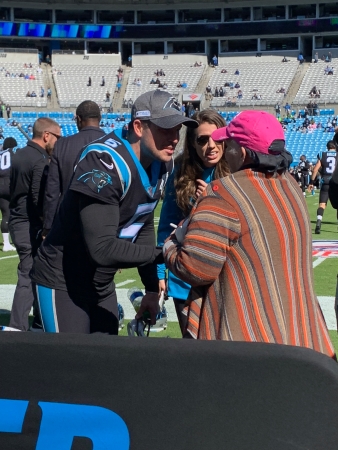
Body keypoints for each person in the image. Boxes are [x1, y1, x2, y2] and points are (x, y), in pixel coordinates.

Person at [163, 110, 335, 359]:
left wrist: (171, 243)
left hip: (247, 339)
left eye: (228, 143)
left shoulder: (222, 193)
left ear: (241, 152)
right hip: (301, 334)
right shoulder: (292, 187)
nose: (221, 147)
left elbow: (195, 267)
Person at [30, 90, 198, 334]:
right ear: (139, 127)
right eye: (165, 129)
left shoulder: (162, 162)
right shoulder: (104, 161)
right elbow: (102, 248)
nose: (174, 138)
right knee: (71, 365)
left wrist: (151, 288)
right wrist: (167, 253)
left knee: (104, 362)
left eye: (177, 129)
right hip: (63, 281)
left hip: (100, 283)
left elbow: (143, 221)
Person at [157, 110, 228, 334]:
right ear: (193, 144)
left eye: (217, 137)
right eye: (202, 139)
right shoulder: (179, 173)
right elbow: (166, 226)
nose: (211, 145)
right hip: (184, 281)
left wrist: (208, 203)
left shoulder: (236, 171)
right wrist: (160, 274)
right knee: (194, 352)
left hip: (223, 278)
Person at [8, 118, 61, 332]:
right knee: (29, 273)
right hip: (29, 225)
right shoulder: (40, 160)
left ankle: (39, 320)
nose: (59, 141)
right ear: (46, 135)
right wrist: (48, 224)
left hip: (16, 220)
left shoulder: (20, 154)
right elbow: (39, 198)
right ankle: (17, 327)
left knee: (35, 271)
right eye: (58, 137)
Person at [43, 101, 105, 236]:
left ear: (78, 119)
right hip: (104, 222)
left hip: (69, 221)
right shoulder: (115, 144)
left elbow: (52, 191)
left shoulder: (62, 145)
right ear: (99, 119)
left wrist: (48, 226)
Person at [308, 140, 337, 234]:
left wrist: (311, 182)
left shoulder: (322, 154)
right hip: (336, 182)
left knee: (322, 204)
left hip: (325, 181)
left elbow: (315, 169)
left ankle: (318, 223)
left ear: (327, 147)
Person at [0, 137, 18, 252]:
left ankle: (6, 242)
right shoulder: (13, 154)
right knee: (10, 213)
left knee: (4, 213)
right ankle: (12, 241)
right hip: (9, 185)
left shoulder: (1, 154)